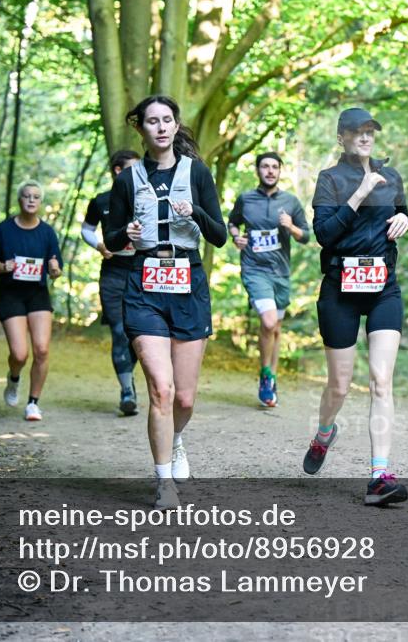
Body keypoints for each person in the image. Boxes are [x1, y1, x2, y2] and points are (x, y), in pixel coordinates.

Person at [104, 95, 227, 510]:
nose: (159, 127)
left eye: (166, 120)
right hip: (144, 288)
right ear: (140, 128)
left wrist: (193, 213)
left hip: (188, 284)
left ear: (176, 127)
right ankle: (163, 482)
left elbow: (220, 236)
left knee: (185, 399)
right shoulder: (127, 179)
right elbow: (111, 238)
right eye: (151, 121)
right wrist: (128, 234)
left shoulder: (198, 174)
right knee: (161, 388)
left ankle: (176, 440)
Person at [302, 108, 408, 506]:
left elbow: (401, 215)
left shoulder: (392, 176)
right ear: (341, 138)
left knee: (381, 381)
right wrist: (361, 192)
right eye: (356, 133)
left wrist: (404, 221)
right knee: (340, 385)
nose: (365, 138)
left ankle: (379, 476)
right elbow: (325, 236)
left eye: (370, 132)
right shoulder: (329, 180)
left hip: (383, 288)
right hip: (340, 290)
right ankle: (324, 433)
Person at [227, 152, 310, 407]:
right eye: (265, 166)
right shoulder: (246, 199)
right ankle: (265, 374)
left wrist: (291, 227)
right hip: (254, 269)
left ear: (280, 171)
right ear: (258, 170)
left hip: (281, 273)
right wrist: (236, 236)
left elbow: (306, 236)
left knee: (275, 328)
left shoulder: (291, 202)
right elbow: (233, 222)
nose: (270, 170)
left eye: (275, 167)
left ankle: (271, 377)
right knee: (269, 320)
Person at [0, 181, 63, 422]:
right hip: (11, 294)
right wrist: (4, 266)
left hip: (38, 294)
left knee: (42, 349)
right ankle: (14, 378)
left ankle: (33, 403)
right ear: (19, 200)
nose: (31, 200)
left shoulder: (47, 232)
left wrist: (54, 269)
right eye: (27, 196)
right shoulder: (3, 230)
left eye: (36, 197)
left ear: (41, 202)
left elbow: (56, 266)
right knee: (20, 354)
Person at [81, 149, 142, 416]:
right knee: (119, 332)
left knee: (139, 336)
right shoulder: (101, 201)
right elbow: (86, 228)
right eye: (134, 167)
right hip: (114, 274)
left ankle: (129, 378)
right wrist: (99, 245)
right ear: (119, 170)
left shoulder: (147, 199)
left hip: (142, 273)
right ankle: (127, 390)